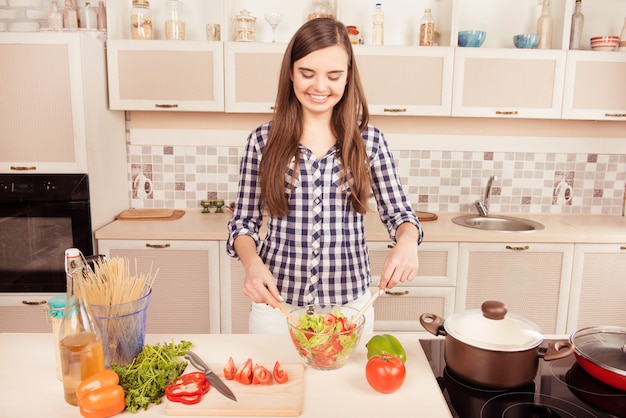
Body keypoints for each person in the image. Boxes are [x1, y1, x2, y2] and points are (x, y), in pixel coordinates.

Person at [226, 18, 423, 335]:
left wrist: (407, 242)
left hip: (349, 309)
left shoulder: (369, 141)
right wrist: (252, 264)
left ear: (348, 78)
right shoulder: (262, 141)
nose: (320, 87)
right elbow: (243, 223)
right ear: (291, 73)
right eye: (307, 73)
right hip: (277, 308)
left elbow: (400, 214)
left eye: (334, 76)